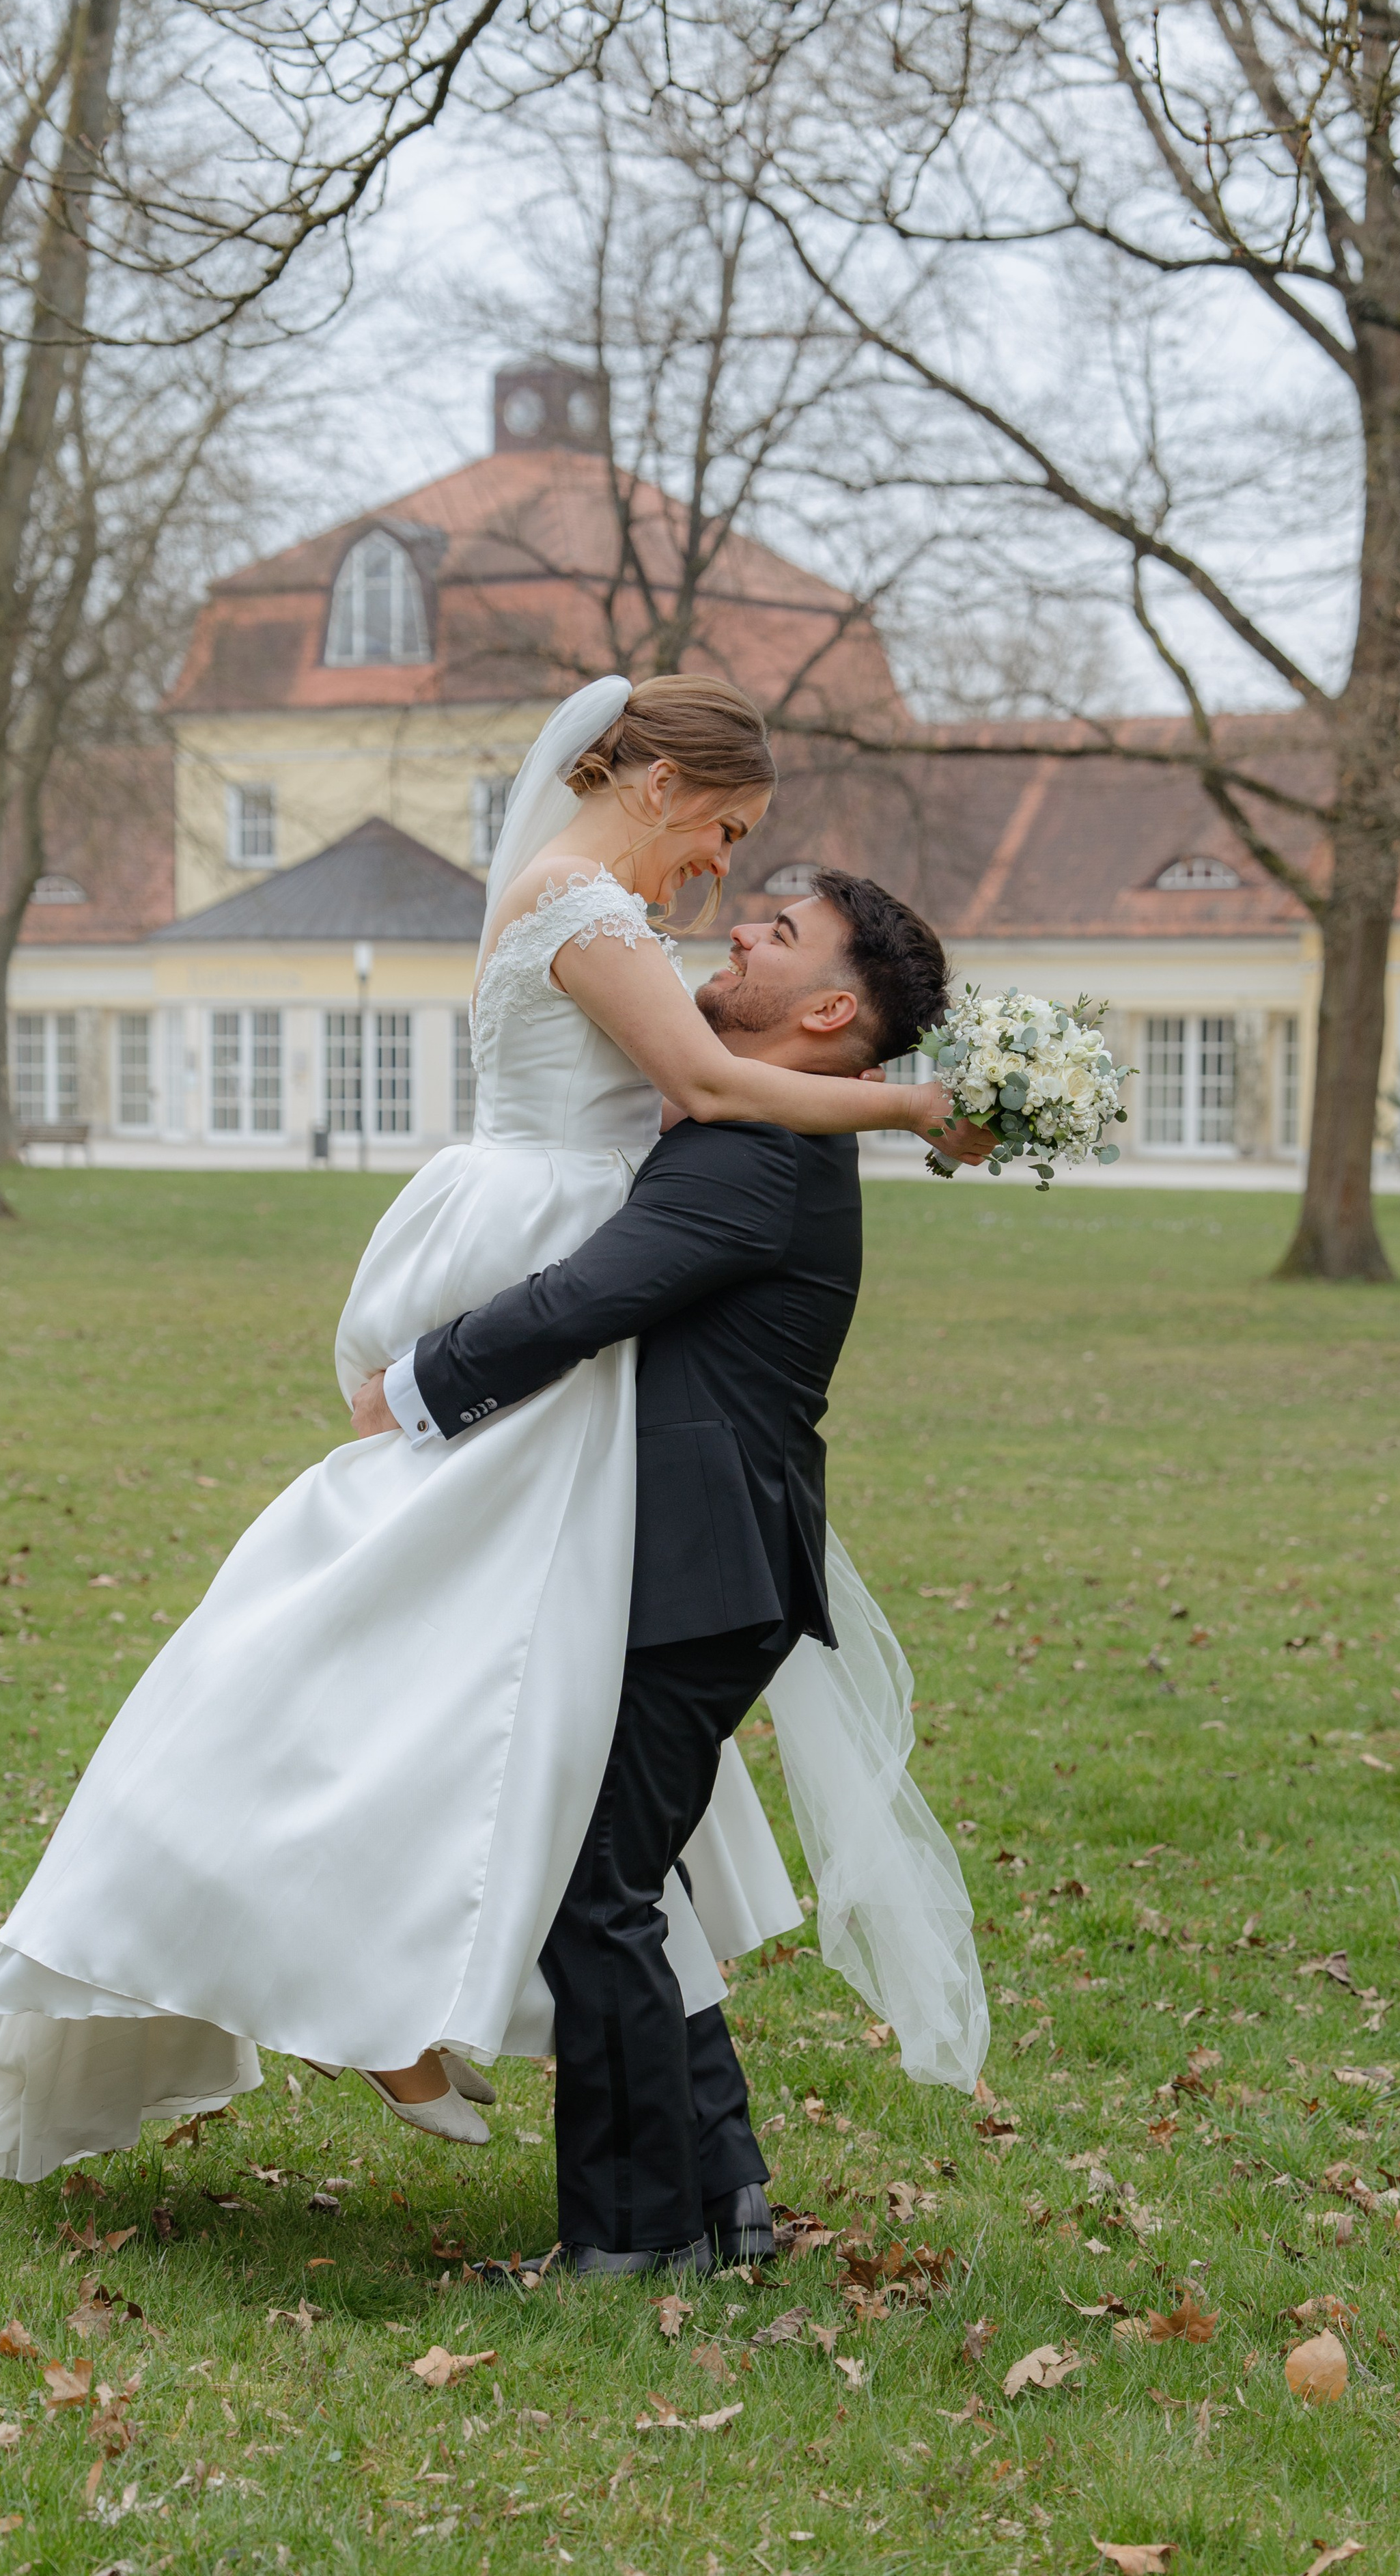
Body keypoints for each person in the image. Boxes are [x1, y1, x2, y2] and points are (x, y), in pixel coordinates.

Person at [0, 674, 986, 2186]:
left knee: (472, 1655)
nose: (716, 867)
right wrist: (911, 1111)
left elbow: (710, 1100)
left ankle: (397, 1996)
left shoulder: (592, 905)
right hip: (549, 1253)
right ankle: (370, 1984)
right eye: (721, 827)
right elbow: (699, 1085)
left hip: (551, 1248)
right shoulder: (589, 914)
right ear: (655, 781)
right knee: (448, 1641)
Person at [351, 867, 990, 2271]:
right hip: (705, 1559)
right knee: (632, 1887)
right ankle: (720, 2199)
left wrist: (411, 1385)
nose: (737, 929)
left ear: (827, 1009)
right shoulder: (759, 1125)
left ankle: (634, 2241)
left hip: (702, 1571)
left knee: (595, 1890)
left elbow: (590, 1298)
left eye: (776, 931)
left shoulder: (756, 1157)